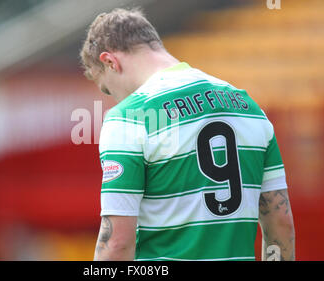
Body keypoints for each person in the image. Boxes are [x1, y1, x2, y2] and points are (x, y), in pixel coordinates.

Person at [80, 7, 295, 261]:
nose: (113, 98)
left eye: (107, 89)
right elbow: (280, 222)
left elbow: (116, 243)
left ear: (110, 62)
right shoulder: (250, 108)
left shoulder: (130, 117)